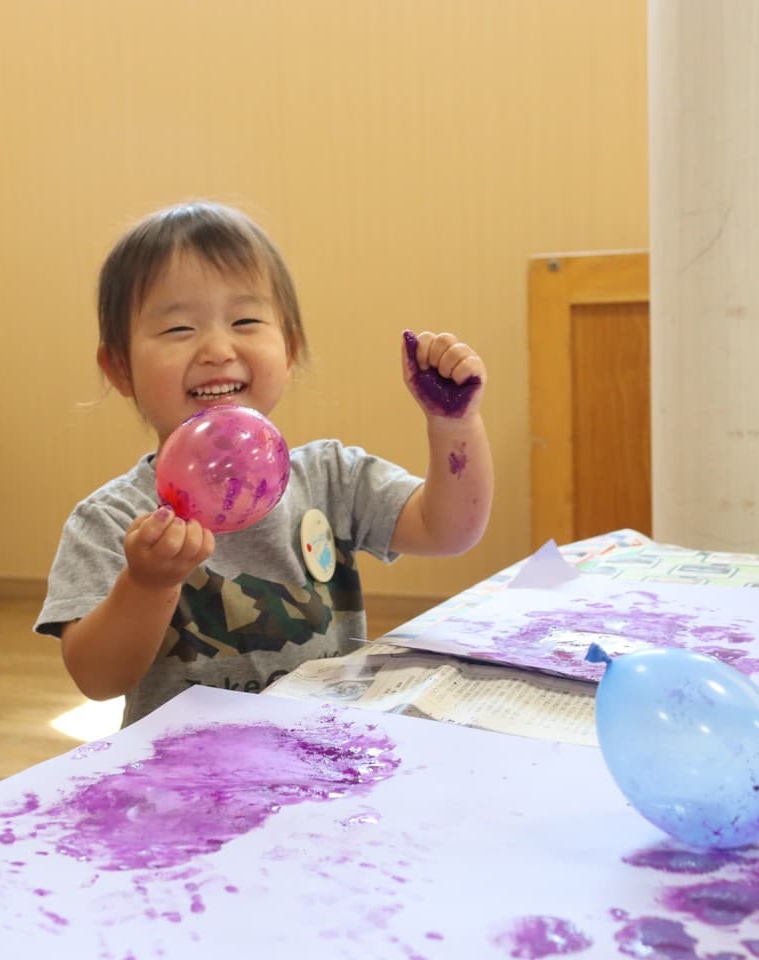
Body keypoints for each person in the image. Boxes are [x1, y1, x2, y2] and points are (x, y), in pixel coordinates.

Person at [35, 202, 492, 726]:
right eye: (179, 328)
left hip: (322, 748)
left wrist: (454, 425)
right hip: (192, 765)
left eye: (245, 321)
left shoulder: (331, 477)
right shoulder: (113, 520)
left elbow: (448, 529)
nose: (217, 349)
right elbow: (97, 680)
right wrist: (147, 584)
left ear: (289, 349)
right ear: (120, 368)